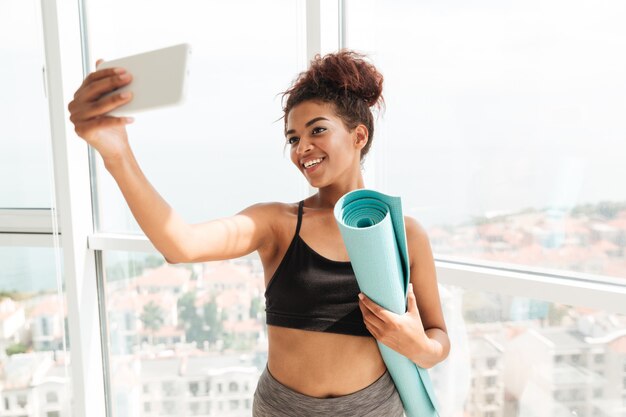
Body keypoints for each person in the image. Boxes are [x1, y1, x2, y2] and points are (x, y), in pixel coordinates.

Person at [68, 50, 450, 416]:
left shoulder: (404, 233)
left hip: (373, 410)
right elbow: (180, 244)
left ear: (359, 136)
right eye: (293, 138)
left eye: (317, 129)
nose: (303, 148)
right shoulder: (276, 224)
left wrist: (420, 347)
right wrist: (117, 153)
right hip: (282, 410)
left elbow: (438, 337)